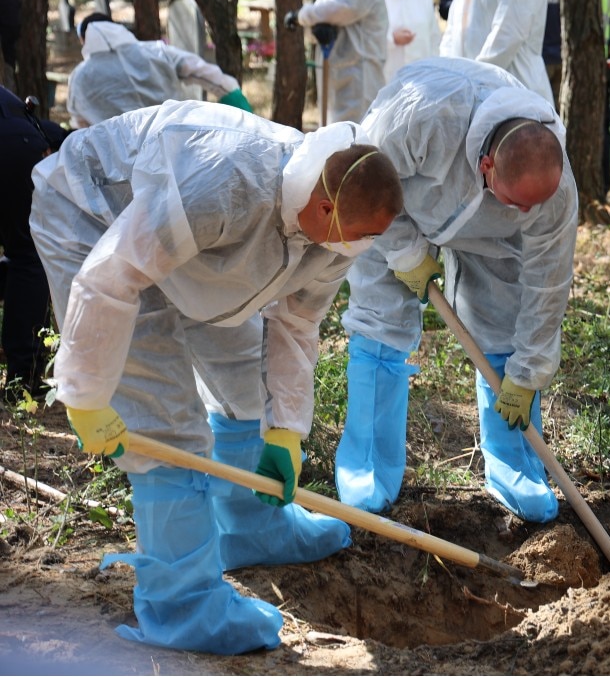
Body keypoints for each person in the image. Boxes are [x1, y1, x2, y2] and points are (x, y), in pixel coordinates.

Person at [30, 101, 403, 654]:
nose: (362, 250)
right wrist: (85, 390)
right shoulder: (225, 181)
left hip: (190, 248)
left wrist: (285, 430)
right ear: (323, 208)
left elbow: (297, 321)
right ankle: (182, 607)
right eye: (358, 235)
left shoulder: (336, 228)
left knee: (243, 381)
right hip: (96, 217)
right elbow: (114, 274)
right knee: (166, 424)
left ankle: (251, 524)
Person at [337, 58, 576, 521]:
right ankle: (367, 462)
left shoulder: (556, 188)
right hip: (395, 209)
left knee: (504, 323)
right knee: (380, 320)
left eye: (535, 206)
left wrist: (527, 373)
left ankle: (514, 462)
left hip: (490, 236)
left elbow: (548, 282)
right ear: (487, 166)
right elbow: (362, 176)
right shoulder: (425, 115)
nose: (529, 212)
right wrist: (405, 251)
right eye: (517, 202)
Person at [67, 13, 251, 128]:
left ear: (84, 39)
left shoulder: (80, 76)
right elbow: (212, 77)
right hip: (177, 146)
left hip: (120, 164)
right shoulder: (156, 52)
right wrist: (246, 118)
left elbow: (80, 123)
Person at [1, 88, 68, 400]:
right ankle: (23, 376)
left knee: (26, 257)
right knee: (27, 257)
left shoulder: (34, 131)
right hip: (18, 139)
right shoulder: (31, 132)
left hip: (16, 138)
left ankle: (23, 378)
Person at [284, 0, 388, 125]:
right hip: (331, 71)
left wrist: (301, 16)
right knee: (333, 131)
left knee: (359, 133)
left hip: (360, 74)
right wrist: (315, 31)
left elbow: (336, 10)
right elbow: (318, 21)